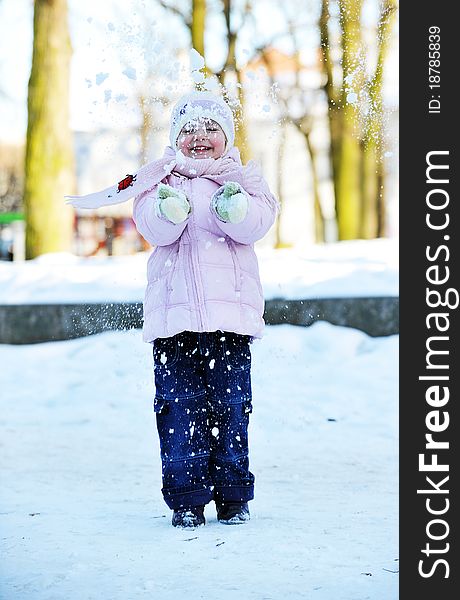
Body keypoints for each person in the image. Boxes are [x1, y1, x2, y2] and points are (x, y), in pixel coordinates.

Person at [65, 91, 279, 528]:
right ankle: (186, 498)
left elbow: (257, 222)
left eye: (210, 129)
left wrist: (234, 209)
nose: (199, 137)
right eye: (189, 130)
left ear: (227, 136)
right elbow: (152, 229)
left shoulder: (243, 180)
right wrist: (170, 211)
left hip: (230, 325)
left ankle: (234, 496)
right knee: (180, 411)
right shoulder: (158, 181)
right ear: (175, 138)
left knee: (231, 408)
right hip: (173, 326)